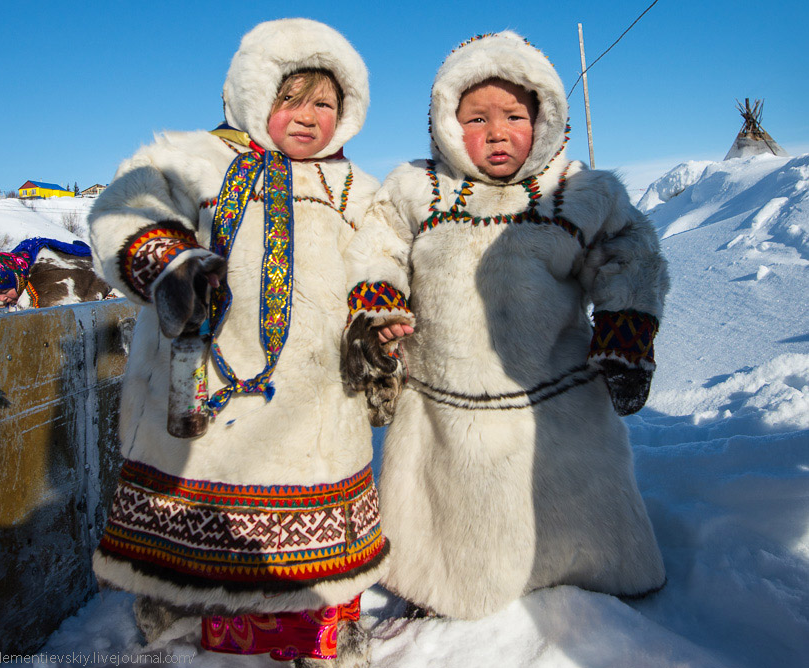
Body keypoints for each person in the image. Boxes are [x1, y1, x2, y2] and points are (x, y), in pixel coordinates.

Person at [88, 19, 390, 666]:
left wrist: (379, 319)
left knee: (311, 545)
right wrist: (164, 263)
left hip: (316, 404)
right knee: (191, 519)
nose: (309, 116)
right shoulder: (193, 159)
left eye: (325, 104)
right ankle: (179, 618)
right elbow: (126, 205)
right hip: (203, 390)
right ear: (257, 94)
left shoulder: (358, 190)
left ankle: (320, 629)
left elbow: (385, 259)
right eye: (292, 97)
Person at [343, 31, 669, 620]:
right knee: (456, 534)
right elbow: (379, 247)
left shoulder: (577, 192)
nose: (496, 131)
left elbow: (631, 252)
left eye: (514, 115)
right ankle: (444, 591)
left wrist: (625, 329)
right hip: (446, 408)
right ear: (445, 121)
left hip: (557, 402)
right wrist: (377, 308)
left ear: (544, 118)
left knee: (576, 521)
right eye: (476, 117)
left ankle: (598, 574)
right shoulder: (415, 190)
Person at [0, 237, 112, 311]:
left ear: (18, 280)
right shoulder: (13, 269)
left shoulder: (51, 281)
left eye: (4, 292)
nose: (2, 298)